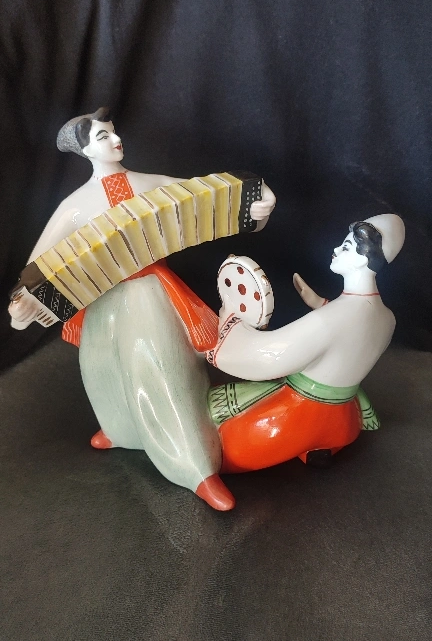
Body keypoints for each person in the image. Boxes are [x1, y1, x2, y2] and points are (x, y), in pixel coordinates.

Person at [9, 107, 276, 510]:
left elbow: (208, 199)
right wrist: (23, 300)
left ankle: (196, 467)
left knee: (162, 371)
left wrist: (253, 205)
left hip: (148, 293)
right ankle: (120, 429)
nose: (116, 140)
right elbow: (39, 262)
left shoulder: (150, 184)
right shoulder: (75, 206)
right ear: (85, 151)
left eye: (113, 132)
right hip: (102, 301)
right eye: (103, 137)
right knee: (100, 368)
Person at [207, 215, 405, 471]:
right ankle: (322, 447)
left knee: (220, 442)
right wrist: (318, 303)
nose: (336, 249)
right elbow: (352, 334)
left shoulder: (333, 319)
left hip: (301, 414)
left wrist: (229, 324)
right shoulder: (388, 318)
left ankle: (305, 442)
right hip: (345, 417)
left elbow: (269, 358)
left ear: (363, 258)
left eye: (346, 246)